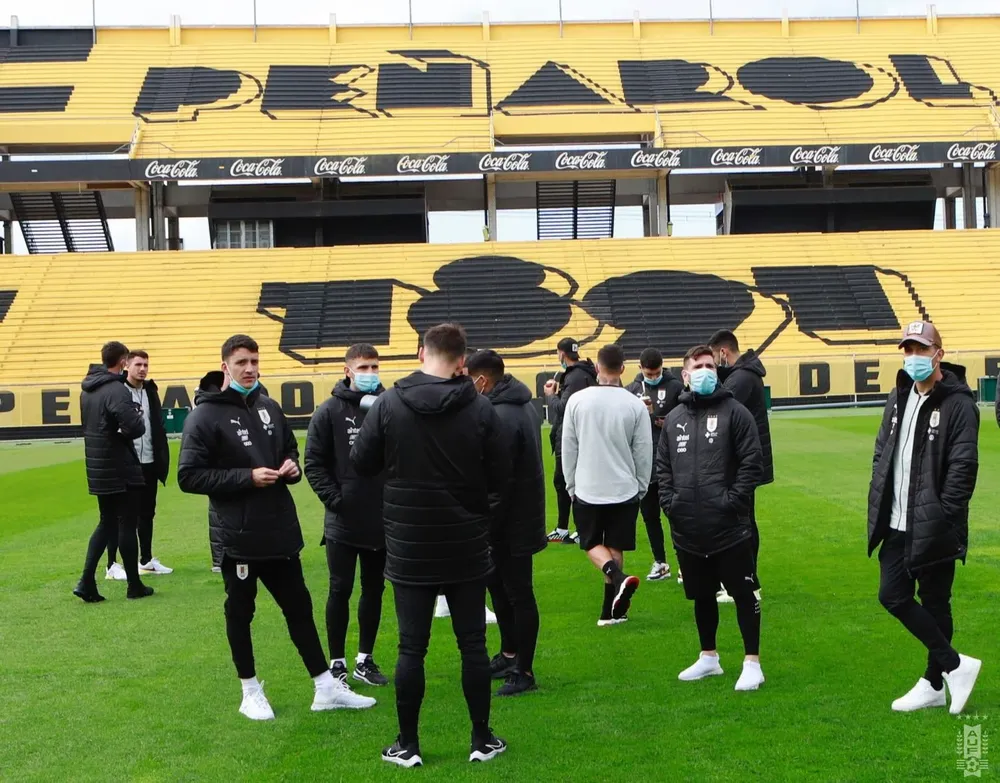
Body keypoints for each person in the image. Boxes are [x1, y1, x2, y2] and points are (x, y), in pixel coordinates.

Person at [178, 334, 374, 721]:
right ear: (225, 367)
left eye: (254, 361)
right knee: (240, 612)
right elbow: (189, 476)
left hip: (279, 530)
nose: (250, 369)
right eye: (241, 363)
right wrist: (246, 477)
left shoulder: (268, 406)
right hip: (238, 536)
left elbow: (289, 451)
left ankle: (325, 687)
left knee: (299, 608)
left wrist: (291, 467)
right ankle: (249, 691)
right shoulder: (204, 416)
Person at [351, 323, 509, 767]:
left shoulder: (388, 404)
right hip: (464, 541)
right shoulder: (479, 407)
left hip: (411, 541)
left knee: (411, 647)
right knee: (472, 644)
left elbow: (361, 462)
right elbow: (502, 475)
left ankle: (409, 743)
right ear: (462, 360)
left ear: (422, 353)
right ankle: (480, 738)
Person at [868, 321, 982, 714]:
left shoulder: (959, 405)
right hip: (896, 521)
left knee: (935, 602)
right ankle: (955, 665)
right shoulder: (898, 396)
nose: (913, 357)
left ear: (939, 354)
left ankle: (934, 684)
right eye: (908, 350)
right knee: (892, 594)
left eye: (921, 349)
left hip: (935, 525)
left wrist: (943, 517)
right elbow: (882, 451)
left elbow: (963, 469)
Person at [657, 345, 764, 691]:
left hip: (729, 528)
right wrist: (671, 505)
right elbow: (663, 468)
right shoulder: (674, 418)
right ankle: (708, 657)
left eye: (710, 365)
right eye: (698, 366)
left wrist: (732, 503)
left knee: (744, 594)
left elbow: (752, 464)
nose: (705, 371)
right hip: (688, 528)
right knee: (702, 596)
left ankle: (752, 663)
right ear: (685, 375)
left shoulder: (736, 413)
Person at [305, 343, 390, 689]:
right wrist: (337, 501)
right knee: (340, 589)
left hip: (382, 519)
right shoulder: (328, 412)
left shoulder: (389, 406)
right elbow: (314, 464)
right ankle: (336, 662)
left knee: (374, 590)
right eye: (363, 367)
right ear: (348, 371)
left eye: (374, 367)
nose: (370, 373)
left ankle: (364, 660)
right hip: (342, 522)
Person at [467, 349, 547, 696]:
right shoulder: (520, 405)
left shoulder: (500, 414)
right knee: (500, 588)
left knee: (518, 593)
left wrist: (484, 523)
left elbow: (500, 479)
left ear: (482, 380)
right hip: (515, 516)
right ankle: (510, 653)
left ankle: (524, 670)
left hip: (511, 521)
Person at [561, 344, 651, 627]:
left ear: (597, 367)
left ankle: (616, 583)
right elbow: (643, 450)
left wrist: (570, 483)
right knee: (615, 545)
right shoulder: (635, 404)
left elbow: (568, 447)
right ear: (623, 368)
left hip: (588, 485)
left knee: (590, 542)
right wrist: (641, 485)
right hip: (624, 487)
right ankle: (611, 611)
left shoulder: (577, 400)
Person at [74, 341, 155, 602]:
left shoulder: (87, 390)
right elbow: (135, 427)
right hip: (120, 465)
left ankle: (86, 580)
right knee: (127, 524)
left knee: (107, 522)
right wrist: (130, 424)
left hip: (98, 465)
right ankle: (134, 585)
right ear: (123, 362)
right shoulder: (117, 390)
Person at [708, 330, 773, 601]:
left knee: (742, 523)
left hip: (744, 462)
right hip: (748, 460)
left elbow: (720, 408)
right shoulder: (744, 375)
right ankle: (745, 581)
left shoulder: (742, 378)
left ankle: (745, 583)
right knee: (743, 520)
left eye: (713, 358)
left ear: (723, 352)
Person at [105, 350, 171, 579]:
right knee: (122, 516)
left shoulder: (150, 391)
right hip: (126, 463)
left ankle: (146, 560)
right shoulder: (118, 391)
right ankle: (112, 564)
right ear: (126, 365)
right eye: (138, 365)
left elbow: (156, 425)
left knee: (147, 513)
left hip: (149, 461)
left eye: (145, 365)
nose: (143, 369)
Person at [625, 347, 684, 582]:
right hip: (643, 464)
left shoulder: (675, 387)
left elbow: (685, 419)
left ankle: (684, 562)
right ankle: (660, 563)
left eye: (657, 373)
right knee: (650, 516)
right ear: (640, 368)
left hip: (670, 462)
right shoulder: (631, 390)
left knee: (676, 514)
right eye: (649, 374)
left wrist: (657, 419)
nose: (653, 377)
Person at [543, 337, 597, 543]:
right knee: (564, 482)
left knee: (570, 483)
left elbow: (563, 408)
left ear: (562, 353)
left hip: (571, 438)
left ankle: (578, 528)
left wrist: (550, 395)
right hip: (578, 436)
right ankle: (565, 528)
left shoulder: (575, 376)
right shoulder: (583, 374)